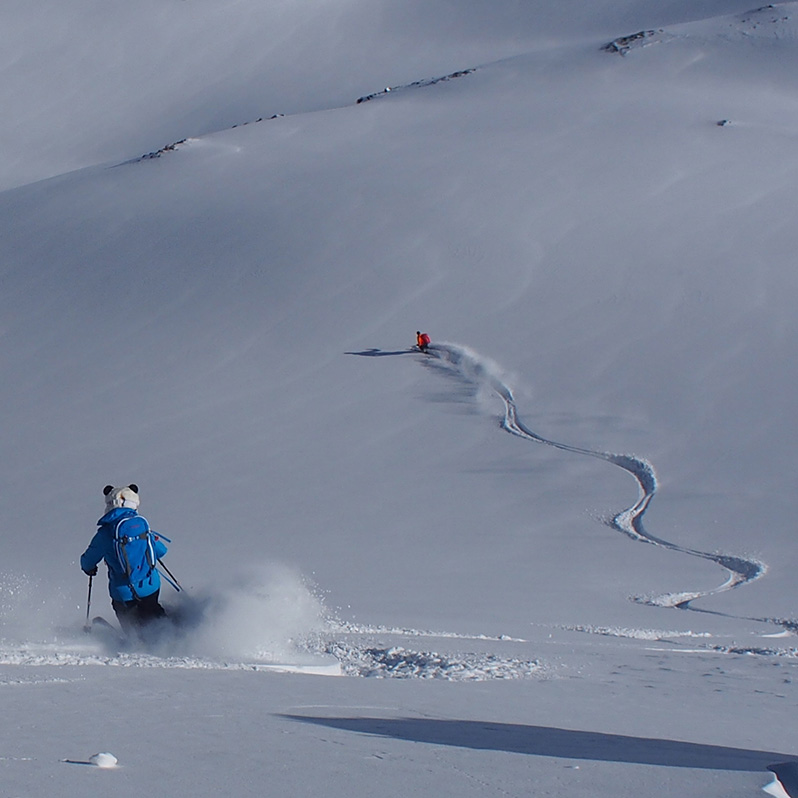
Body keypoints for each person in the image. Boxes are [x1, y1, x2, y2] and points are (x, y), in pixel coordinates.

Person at [80, 484, 168, 635]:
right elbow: (161, 551)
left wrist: (89, 568)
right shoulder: (141, 525)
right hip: (150, 585)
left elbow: (87, 561)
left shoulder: (105, 534)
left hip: (122, 593)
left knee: (131, 626)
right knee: (152, 609)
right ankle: (167, 633)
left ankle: (134, 640)